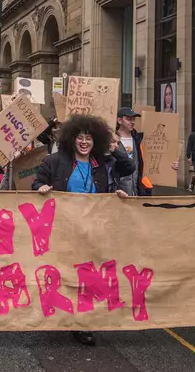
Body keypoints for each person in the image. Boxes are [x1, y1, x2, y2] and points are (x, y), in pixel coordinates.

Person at [32, 114, 135, 346]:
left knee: (87, 275)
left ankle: (83, 323)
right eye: (80, 137)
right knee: (61, 272)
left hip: (93, 230)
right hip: (62, 228)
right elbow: (36, 183)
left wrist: (115, 148)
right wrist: (42, 187)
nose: (85, 142)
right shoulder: (56, 161)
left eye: (89, 138)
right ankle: (59, 312)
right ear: (72, 139)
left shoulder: (103, 162)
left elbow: (129, 167)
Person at [116, 107, 152, 196]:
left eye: (133, 119)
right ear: (119, 120)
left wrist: (172, 166)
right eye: (128, 119)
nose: (132, 122)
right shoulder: (113, 140)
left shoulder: (137, 140)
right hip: (118, 192)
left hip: (136, 190)